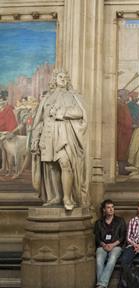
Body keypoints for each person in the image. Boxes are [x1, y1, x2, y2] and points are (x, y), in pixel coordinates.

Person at [30, 69, 87, 211]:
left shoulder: (72, 95)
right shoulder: (46, 98)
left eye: (65, 77)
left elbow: (80, 113)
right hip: (47, 135)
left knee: (65, 163)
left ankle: (67, 197)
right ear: (54, 80)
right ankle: (55, 196)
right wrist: (35, 138)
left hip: (63, 134)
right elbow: (39, 120)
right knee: (51, 166)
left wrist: (61, 113)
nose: (63, 79)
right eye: (60, 76)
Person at [94, 199, 126, 288]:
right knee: (99, 260)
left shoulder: (120, 221)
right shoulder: (99, 222)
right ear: (104, 210)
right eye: (108, 207)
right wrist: (103, 245)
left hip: (116, 246)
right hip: (102, 246)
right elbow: (97, 238)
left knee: (112, 259)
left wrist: (112, 245)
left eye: (112, 207)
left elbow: (122, 237)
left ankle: (101, 286)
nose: (111, 209)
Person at [116, 89, 133, 175]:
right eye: (126, 94)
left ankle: (123, 168)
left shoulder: (123, 104)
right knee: (121, 150)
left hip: (127, 131)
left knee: (124, 149)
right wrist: (128, 125)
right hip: (122, 131)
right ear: (121, 96)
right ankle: (121, 170)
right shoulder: (119, 105)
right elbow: (120, 119)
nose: (128, 96)